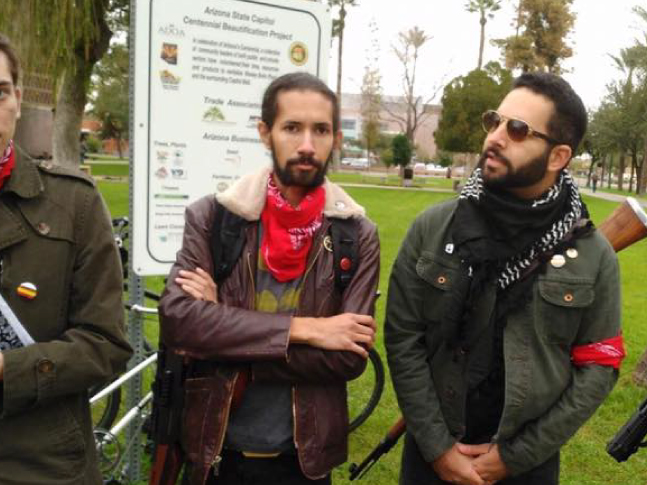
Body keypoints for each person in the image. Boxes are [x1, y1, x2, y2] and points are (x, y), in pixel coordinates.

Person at [385, 72, 623, 485]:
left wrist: (515, 457)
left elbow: (598, 366)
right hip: (430, 458)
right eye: (494, 121)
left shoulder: (592, 254)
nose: (495, 137)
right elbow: (403, 337)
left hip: (526, 469)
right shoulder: (434, 228)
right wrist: (438, 449)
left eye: (517, 129)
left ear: (557, 156)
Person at [158, 72, 380, 485]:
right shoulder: (213, 218)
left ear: (335, 138)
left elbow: (348, 356)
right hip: (217, 452)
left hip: (303, 461)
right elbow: (179, 322)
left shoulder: (355, 234)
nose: (307, 145)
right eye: (292, 127)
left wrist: (223, 329)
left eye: (321, 130)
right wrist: (308, 330)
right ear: (265, 133)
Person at [0, 34, 132, 482]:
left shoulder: (74, 204)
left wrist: (10, 369)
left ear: (18, 100)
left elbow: (106, 343)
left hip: (43, 461)